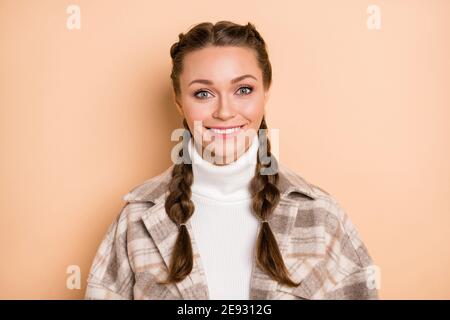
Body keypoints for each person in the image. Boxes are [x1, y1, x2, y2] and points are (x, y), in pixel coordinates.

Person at [85, 20, 379, 300]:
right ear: (179, 102)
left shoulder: (321, 216)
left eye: (243, 90)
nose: (225, 111)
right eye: (203, 93)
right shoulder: (137, 219)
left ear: (266, 92)